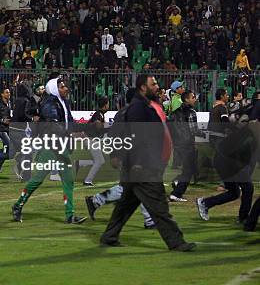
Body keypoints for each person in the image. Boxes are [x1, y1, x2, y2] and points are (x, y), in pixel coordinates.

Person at [100, 74, 196, 251]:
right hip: (143, 165)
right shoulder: (138, 108)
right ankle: (176, 242)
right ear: (143, 87)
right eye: (153, 84)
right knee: (159, 205)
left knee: (125, 205)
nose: (157, 86)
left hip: (138, 165)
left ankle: (109, 236)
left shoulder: (144, 106)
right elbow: (136, 137)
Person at [12, 76, 87, 224]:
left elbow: (69, 122)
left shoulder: (63, 102)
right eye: (62, 86)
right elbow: (54, 125)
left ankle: (70, 215)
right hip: (49, 146)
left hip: (61, 147)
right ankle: (17, 205)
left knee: (68, 181)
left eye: (65, 86)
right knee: (38, 179)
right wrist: (72, 134)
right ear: (54, 89)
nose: (66, 88)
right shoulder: (49, 103)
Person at [85, 89, 155, 229]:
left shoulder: (123, 113)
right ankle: (149, 220)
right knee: (140, 185)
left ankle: (95, 200)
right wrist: (116, 156)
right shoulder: (128, 114)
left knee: (130, 187)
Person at [196, 88, 255, 224]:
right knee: (247, 187)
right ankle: (243, 218)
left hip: (220, 154)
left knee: (234, 192)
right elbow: (225, 125)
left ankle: (205, 202)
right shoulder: (222, 109)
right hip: (226, 155)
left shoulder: (214, 110)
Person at [169, 91, 203, 202]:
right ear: (186, 99)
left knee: (187, 168)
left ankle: (177, 181)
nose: (195, 99)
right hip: (187, 144)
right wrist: (204, 133)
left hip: (177, 145)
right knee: (189, 170)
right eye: (193, 97)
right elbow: (194, 131)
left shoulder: (175, 112)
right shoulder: (191, 112)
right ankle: (176, 193)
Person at [77, 97, 108, 186]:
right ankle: (87, 181)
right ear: (105, 105)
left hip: (90, 139)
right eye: (108, 104)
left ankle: (80, 163)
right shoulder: (98, 114)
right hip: (90, 140)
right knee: (99, 161)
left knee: (100, 160)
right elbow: (98, 126)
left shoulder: (99, 114)